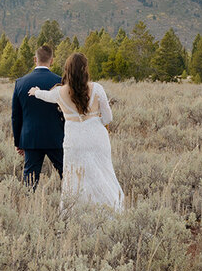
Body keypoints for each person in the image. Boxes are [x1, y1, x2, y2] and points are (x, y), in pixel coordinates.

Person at [29, 52, 124, 212]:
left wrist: (35, 91)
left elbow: (44, 95)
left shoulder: (59, 92)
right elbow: (108, 118)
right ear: (85, 70)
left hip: (74, 141)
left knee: (75, 179)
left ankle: (76, 215)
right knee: (103, 174)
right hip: (97, 138)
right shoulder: (97, 88)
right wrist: (95, 118)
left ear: (67, 70)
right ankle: (109, 212)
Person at [11, 45, 65, 189]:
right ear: (51, 60)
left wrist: (19, 142)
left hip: (31, 138)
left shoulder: (20, 83)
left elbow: (16, 116)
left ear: (35, 59)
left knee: (29, 182)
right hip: (57, 138)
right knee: (67, 175)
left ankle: (28, 208)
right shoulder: (61, 82)